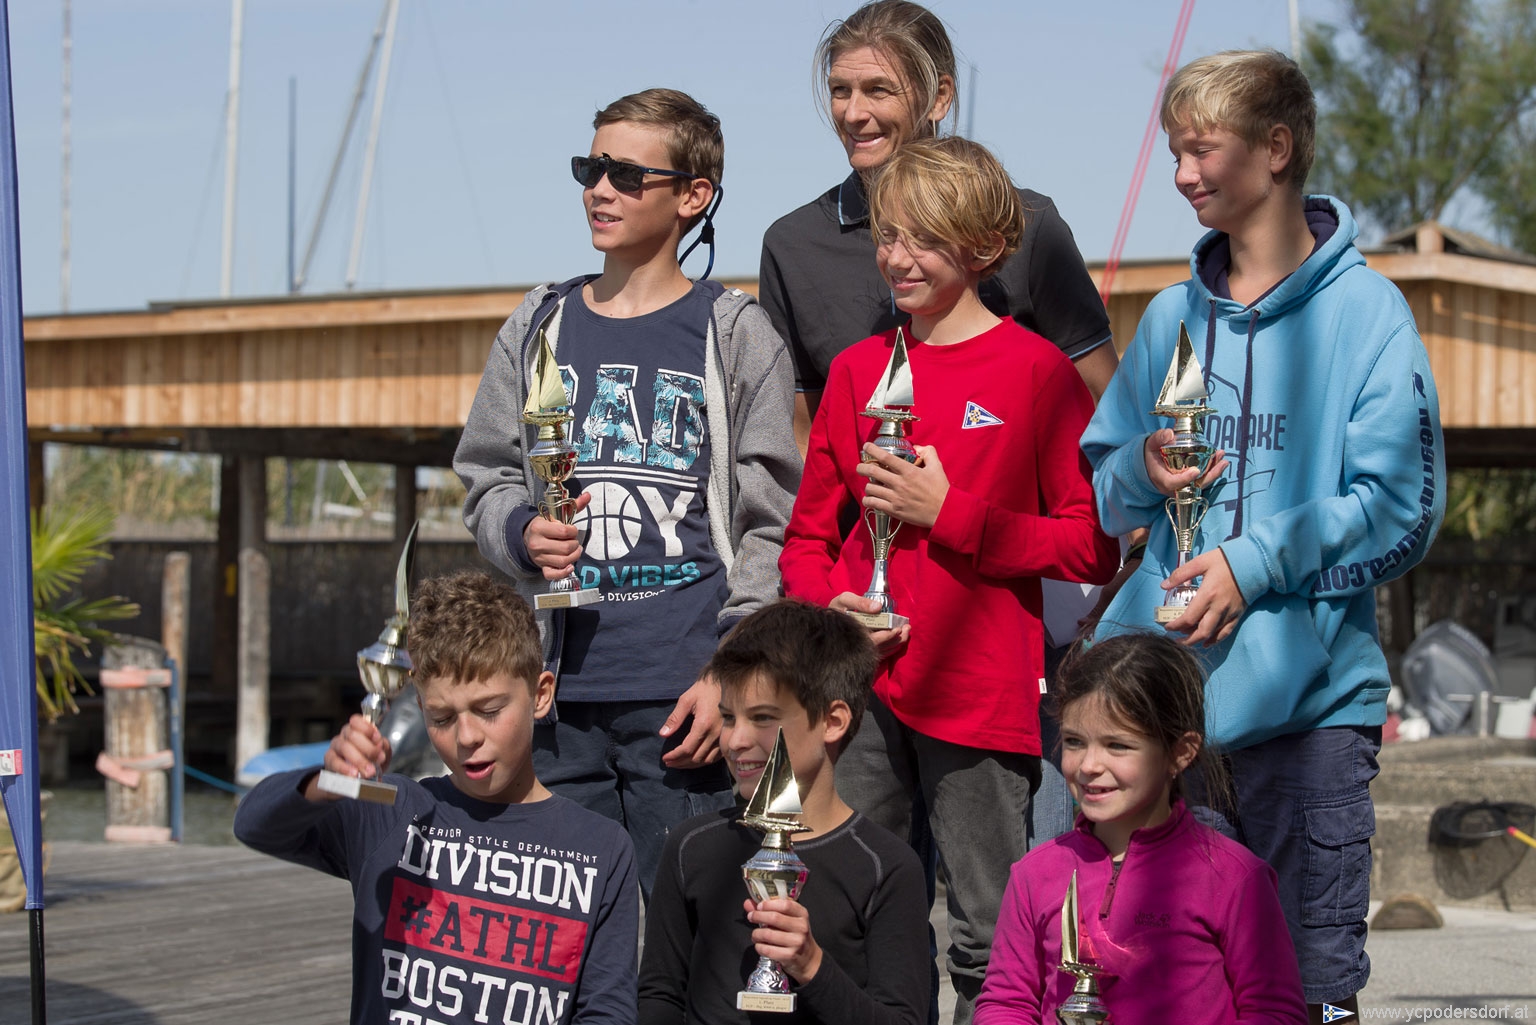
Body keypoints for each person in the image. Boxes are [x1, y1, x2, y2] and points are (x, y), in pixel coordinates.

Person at [1080, 50, 1446, 1022]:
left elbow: (1402, 506)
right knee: (1164, 990)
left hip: (1311, 726)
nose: (1182, 173)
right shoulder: (1170, 317)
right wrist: (1140, 466)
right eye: (1174, 152)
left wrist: (1253, 563)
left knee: (1307, 989)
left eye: (1202, 149)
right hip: (1166, 724)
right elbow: (1104, 491)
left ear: (1277, 148)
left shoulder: (1367, 313)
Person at [758, 0, 1134, 858]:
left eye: (879, 89)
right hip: (864, 661)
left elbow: (1097, 463)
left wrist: (959, 514)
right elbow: (810, 488)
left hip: (993, 660)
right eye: (840, 90)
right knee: (855, 888)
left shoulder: (1032, 264)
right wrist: (826, 602)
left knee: (995, 900)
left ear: (937, 96)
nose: (856, 111)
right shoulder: (803, 266)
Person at [779, 135, 1121, 1025]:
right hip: (861, 691)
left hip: (979, 692)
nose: (898, 257)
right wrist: (830, 606)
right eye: (888, 235)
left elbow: (1092, 548)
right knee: (851, 920)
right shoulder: (857, 372)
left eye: (924, 239)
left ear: (984, 247)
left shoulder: (1039, 371)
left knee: (986, 935)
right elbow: (806, 541)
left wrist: (952, 513)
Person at [454, 88, 800, 901]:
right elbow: (484, 474)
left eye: (626, 174)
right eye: (590, 169)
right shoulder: (537, 323)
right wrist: (520, 531)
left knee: (695, 936)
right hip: (555, 699)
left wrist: (733, 670)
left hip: (688, 703)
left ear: (694, 195)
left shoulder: (736, 332)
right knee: (567, 935)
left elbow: (772, 517)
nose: (600, 190)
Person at [233, 571, 638, 1025]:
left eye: (489, 710)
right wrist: (327, 781)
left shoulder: (602, 849)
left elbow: (607, 1011)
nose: (467, 738)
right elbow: (254, 825)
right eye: (442, 718)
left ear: (541, 695)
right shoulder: (390, 814)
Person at [973, 633, 1307, 1024]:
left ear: (1180, 752)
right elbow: (1006, 1002)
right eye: (1074, 741)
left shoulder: (1235, 878)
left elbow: (1276, 1011)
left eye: (1117, 745)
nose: (1089, 765)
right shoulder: (1034, 873)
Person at [638, 600, 930, 1025]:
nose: (736, 740)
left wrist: (812, 966)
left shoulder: (887, 866)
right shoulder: (691, 846)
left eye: (762, 718)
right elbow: (659, 994)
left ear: (832, 721)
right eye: (728, 717)